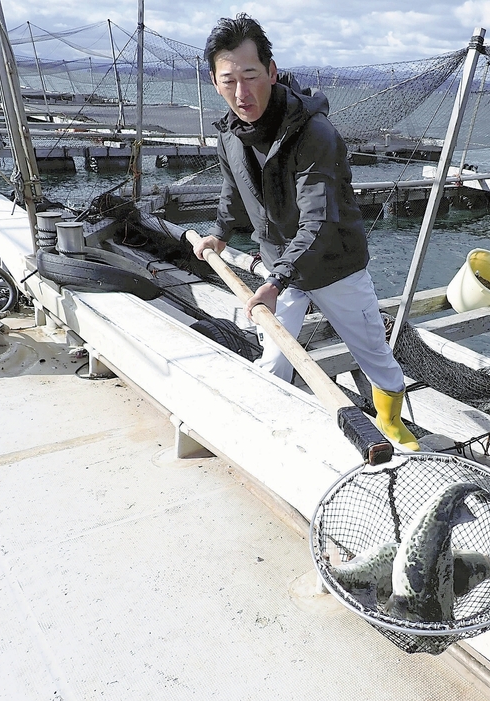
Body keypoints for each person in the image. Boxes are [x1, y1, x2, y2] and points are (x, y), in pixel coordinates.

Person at [186, 14, 419, 451]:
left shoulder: (316, 133)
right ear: (215, 84)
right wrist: (219, 233)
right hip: (280, 268)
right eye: (228, 80)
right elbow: (234, 190)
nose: (241, 92)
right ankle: (266, 432)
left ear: (272, 73)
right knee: (274, 358)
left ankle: (392, 426)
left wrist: (276, 280)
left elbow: (319, 219)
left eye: (251, 76)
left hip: (335, 265)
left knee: (375, 354)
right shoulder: (230, 137)